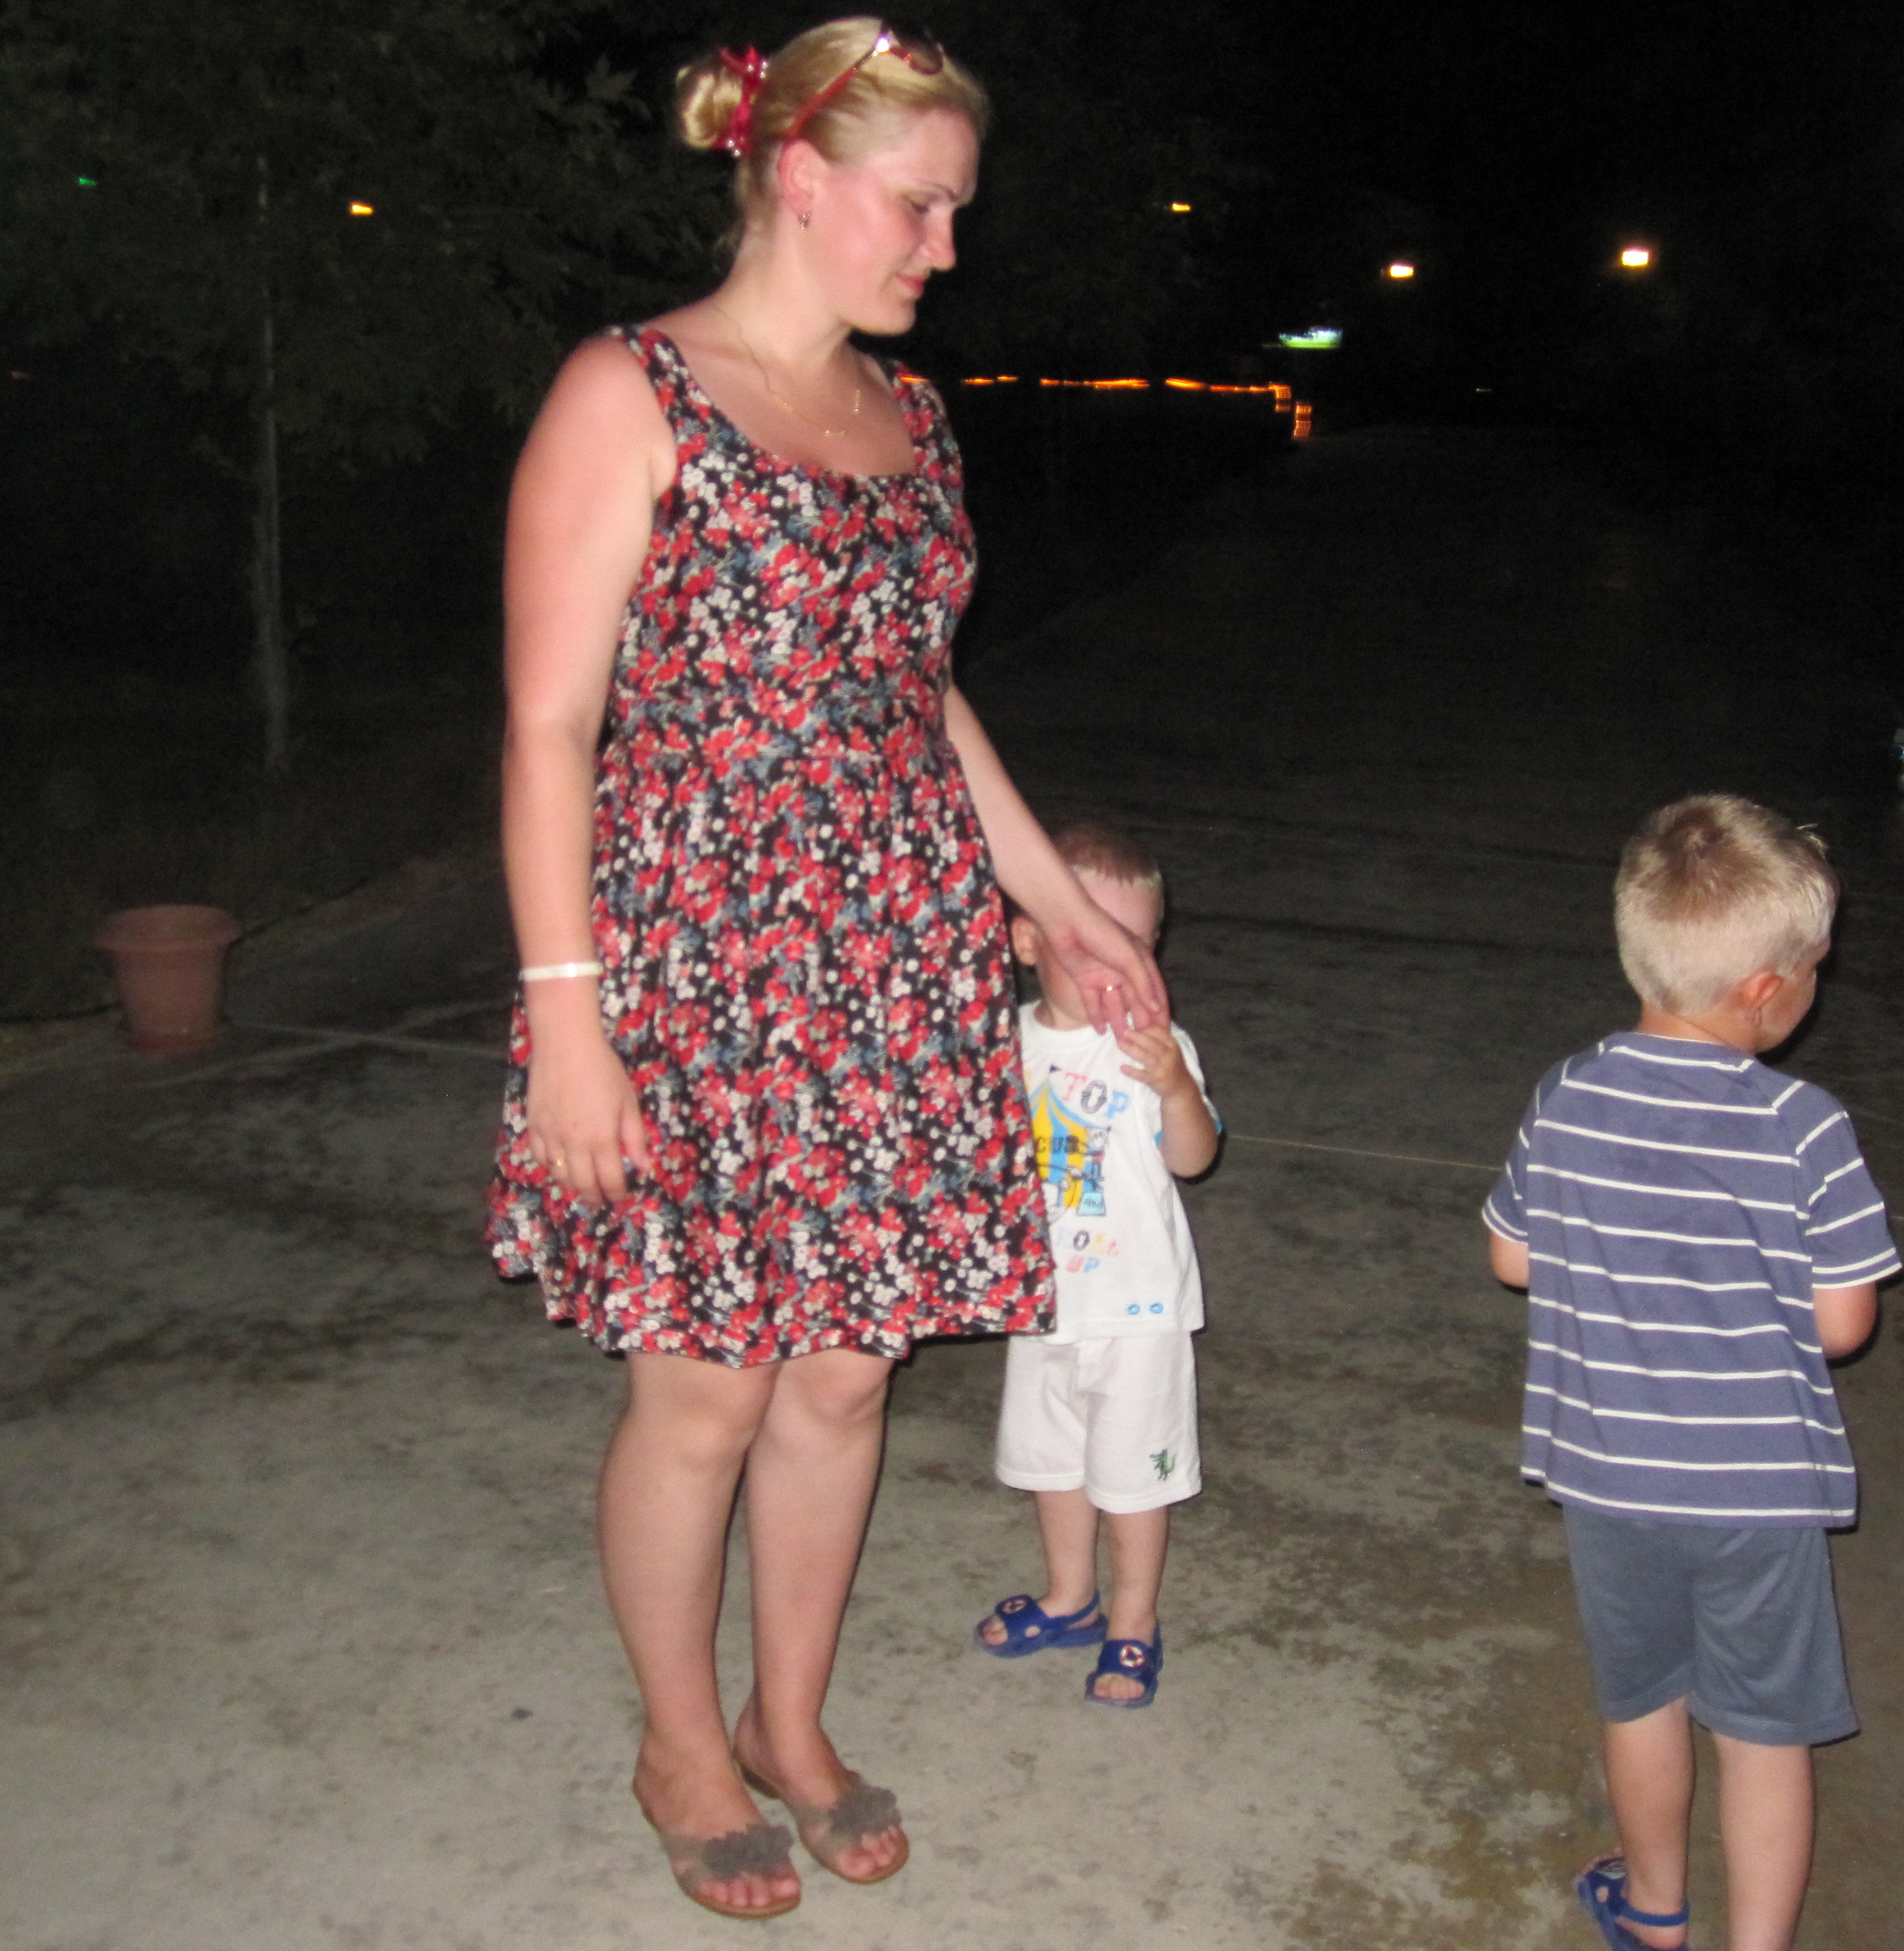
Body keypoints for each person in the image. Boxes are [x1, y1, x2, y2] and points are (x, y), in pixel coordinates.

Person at [484, 16, 1168, 1925]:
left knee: (849, 1382)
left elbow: (918, 693)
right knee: (703, 1392)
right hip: (693, 969)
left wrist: (1054, 903)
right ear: (799, 175)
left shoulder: (911, 418)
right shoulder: (629, 391)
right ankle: (677, 1743)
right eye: (921, 205)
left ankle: (787, 1719)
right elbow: (546, 729)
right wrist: (568, 1027)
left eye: (955, 212)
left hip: (895, 961)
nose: (946, 247)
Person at [1482, 795, 1899, 1951]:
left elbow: (1512, 1258)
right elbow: (1843, 1324)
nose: (1820, 983)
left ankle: (1656, 1910)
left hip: (1611, 1480)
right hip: (1755, 1492)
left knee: (1643, 1701)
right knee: (1764, 1733)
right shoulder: (1806, 1128)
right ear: (1765, 990)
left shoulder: (1568, 1093)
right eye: (1815, 967)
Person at [972, 821, 1218, 1708]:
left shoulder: (1154, 1045)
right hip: (1041, 1306)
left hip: (1137, 1311)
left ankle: (1133, 1619)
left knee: (1132, 1478)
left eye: (1138, 947)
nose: (1118, 969)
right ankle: (1071, 1596)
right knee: (1054, 1463)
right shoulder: (1004, 1042)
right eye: (1092, 944)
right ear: (1027, 941)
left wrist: (1176, 1090)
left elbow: (1193, 1158)